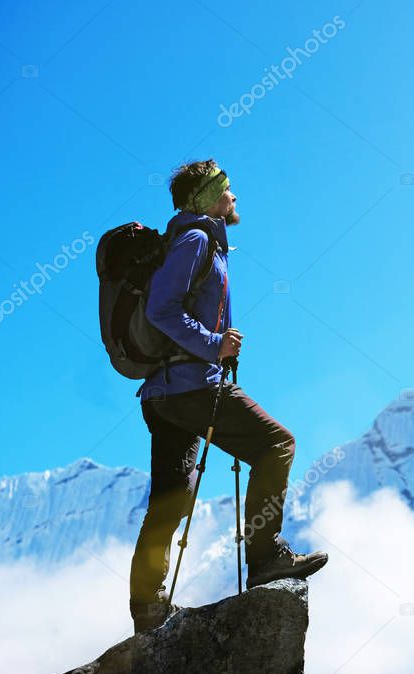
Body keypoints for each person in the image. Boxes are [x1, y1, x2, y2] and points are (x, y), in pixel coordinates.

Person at [128, 159, 328, 633]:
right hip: (192, 384)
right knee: (275, 444)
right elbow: (161, 309)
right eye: (226, 189)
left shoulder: (195, 240)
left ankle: (148, 609)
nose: (234, 196)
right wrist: (212, 343)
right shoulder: (197, 240)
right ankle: (265, 559)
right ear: (205, 199)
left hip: (164, 393)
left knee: (171, 498)